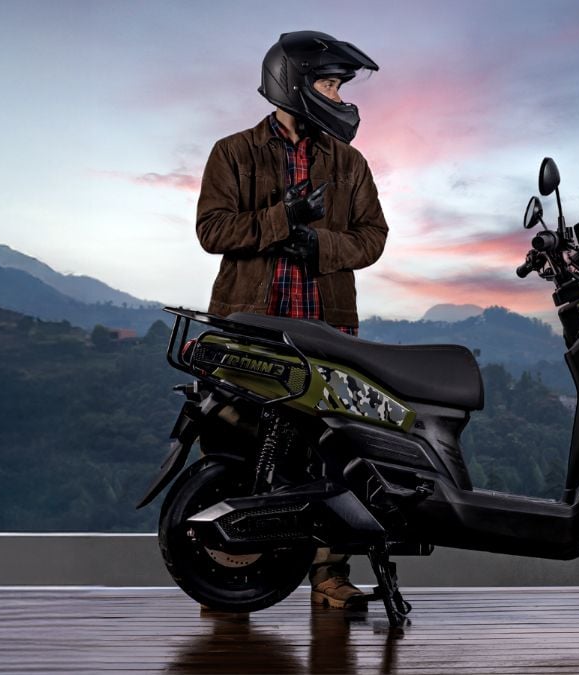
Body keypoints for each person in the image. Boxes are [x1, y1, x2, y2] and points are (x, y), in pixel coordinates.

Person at [194, 30, 388, 610]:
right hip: (252, 326)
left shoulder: (349, 162)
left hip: (326, 329)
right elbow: (212, 230)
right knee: (236, 440)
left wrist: (319, 245)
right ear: (295, 84)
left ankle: (329, 575)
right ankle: (225, 571)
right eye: (329, 84)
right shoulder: (233, 152)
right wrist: (284, 218)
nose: (338, 96)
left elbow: (373, 238)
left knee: (330, 448)